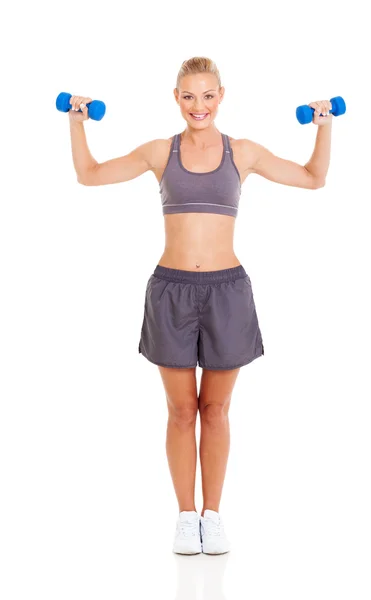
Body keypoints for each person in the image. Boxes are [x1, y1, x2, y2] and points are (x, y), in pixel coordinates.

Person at [68, 56, 333, 555]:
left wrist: (323, 126)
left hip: (227, 291)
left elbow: (314, 178)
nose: (199, 105)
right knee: (180, 411)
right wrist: (77, 123)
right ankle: (186, 517)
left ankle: (214, 514)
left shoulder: (244, 153)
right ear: (176, 98)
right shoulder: (158, 152)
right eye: (189, 95)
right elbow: (89, 174)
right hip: (170, 290)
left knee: (215, 410)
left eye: (208, 95)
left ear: (221, 97)